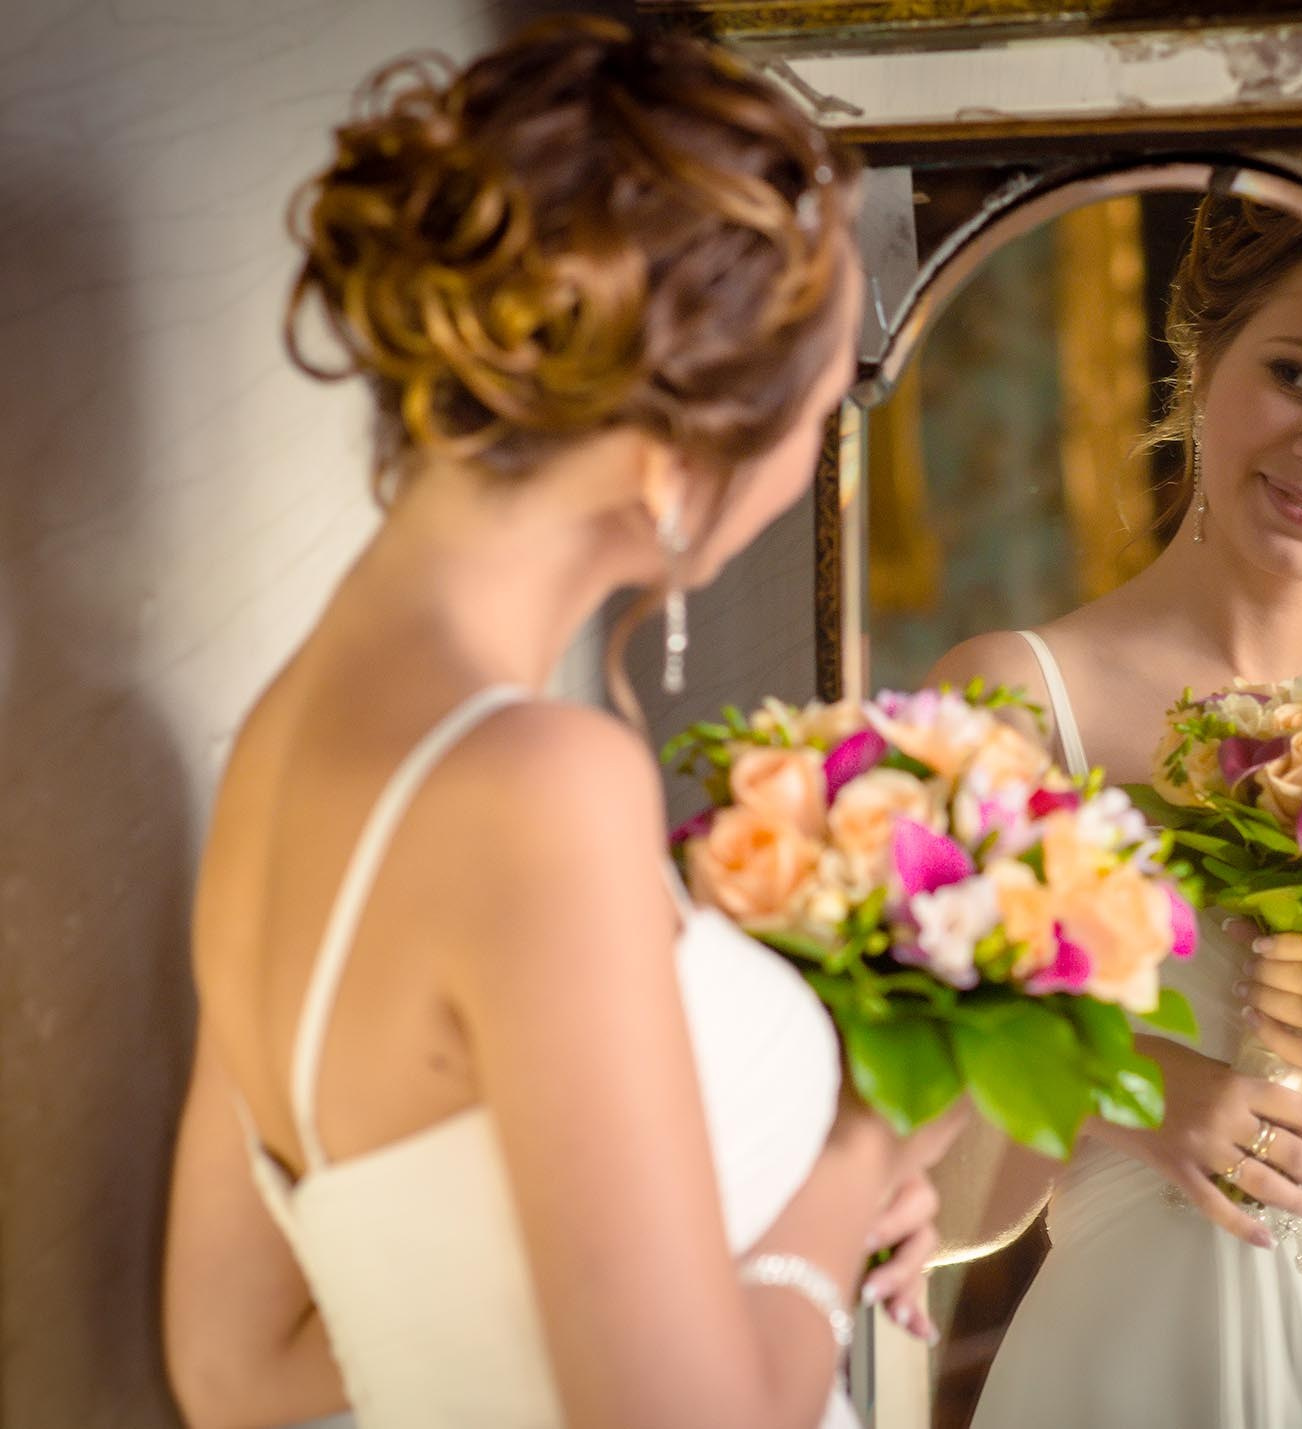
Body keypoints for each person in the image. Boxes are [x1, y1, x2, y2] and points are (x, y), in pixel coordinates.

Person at [160, 19, 961, 1429]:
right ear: (671, 452)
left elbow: (239, 1371)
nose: (815, 455)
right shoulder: (538, 785)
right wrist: (842, 1175)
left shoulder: (285, 740)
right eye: (823, 406)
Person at [931, 152, 1302, 1428]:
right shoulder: (1019, 698)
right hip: (1135, 1363)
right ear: (1203, 353)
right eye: (1295, 375)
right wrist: (1136, 1081)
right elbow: (926, 1163)